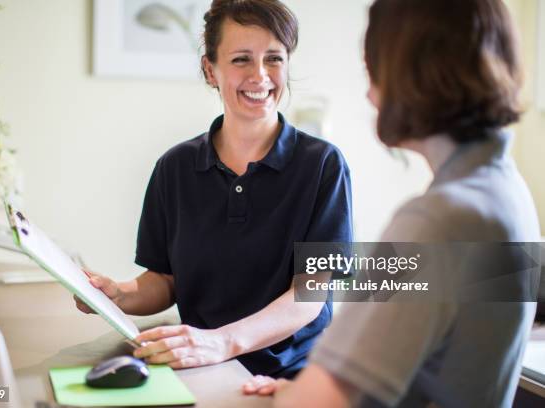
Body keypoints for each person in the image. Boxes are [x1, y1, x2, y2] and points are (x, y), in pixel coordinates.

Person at [243, 0, 540, 405]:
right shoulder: (506, 192)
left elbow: (320, 400)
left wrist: (300, 395)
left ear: (410, 74)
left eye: (373, 71)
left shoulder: (437, 220)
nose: (369, 92)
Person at [75, 0, 352, 379]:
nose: (260, 75)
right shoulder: (174, 168)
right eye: (241, 59)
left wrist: (221, 342)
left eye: (274, 58)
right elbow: (166, 281)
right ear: (210, 69)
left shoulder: (323, 165)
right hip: (198, 368)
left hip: (290, 377)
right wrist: (117, 295)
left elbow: (309, 296)